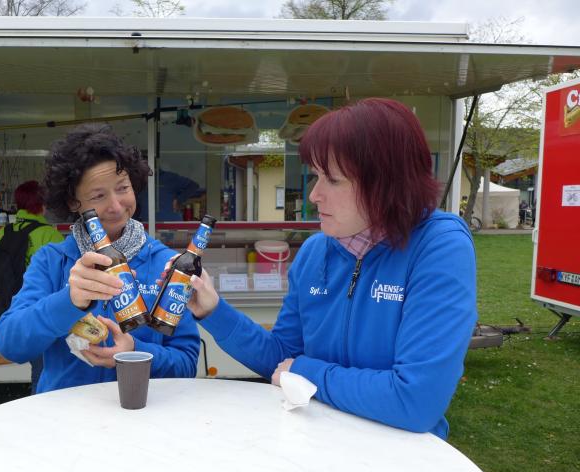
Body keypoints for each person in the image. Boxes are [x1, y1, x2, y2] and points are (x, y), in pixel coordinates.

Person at [182, 98, 477, 440]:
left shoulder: (438, 247)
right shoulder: (315, 252)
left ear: (386, 182)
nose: (314, 195)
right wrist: (213, 311)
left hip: (400, 456)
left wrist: (308, 373)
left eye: (333, 180)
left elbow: (416, 401)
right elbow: (282, 359)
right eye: (316, 176)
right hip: (318, 445)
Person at [0, 124, 199, 393]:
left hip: (140, 411)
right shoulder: (52, 261)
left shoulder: (166, 264)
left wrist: (135, 352)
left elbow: (186, 364)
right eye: (98, 196)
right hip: (64, 412)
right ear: (73, 202)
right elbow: (11, 345)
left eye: (123, 188)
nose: (116, 205)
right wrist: (69, 301)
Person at [0, 180, 64, 393]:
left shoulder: (4, 232)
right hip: (38, 311)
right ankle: (39, 405)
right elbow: (63, 276)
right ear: (42, 205)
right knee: (44, 368)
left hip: (11, 309)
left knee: (38, 366)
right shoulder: (49, 234)